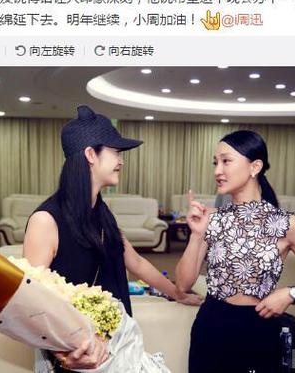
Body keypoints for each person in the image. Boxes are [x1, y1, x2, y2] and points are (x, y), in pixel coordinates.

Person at [24, 105, 202, 371]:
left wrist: (177, 293)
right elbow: (30, 301)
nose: (121, 161)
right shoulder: (46, 220)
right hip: (76, 356)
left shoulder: (101, 212)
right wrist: (64, 355)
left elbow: (135, 261)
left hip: (117, 347)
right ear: (90, 155)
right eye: (116, 152)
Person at [175, 130, 295, 373]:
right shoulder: (212, 219)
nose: (217, 170)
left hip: (258, 329)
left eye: (226, 161)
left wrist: (290, 294)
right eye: (215, 163)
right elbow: (182, 284)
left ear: (255, 167)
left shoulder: (287, 224)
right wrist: (197, 235)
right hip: (210, 326)